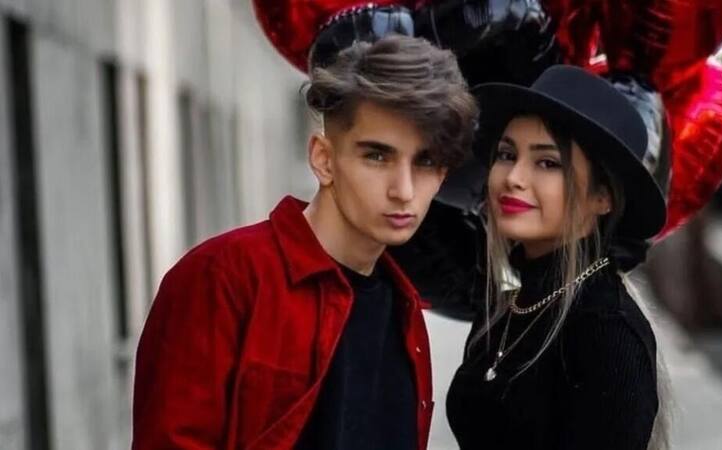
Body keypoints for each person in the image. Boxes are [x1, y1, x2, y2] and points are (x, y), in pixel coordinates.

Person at [132, 34, 477, 450]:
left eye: (425, 161)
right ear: (323, 159)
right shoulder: (222, 277)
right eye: (377, 156)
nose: (403, 190)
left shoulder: (404, 308)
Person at [446, 65, 671, 449]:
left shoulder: (607, 332)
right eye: (506, 154)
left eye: (547, 163)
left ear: (603, 196)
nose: (514, 177)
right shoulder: (509, 302)